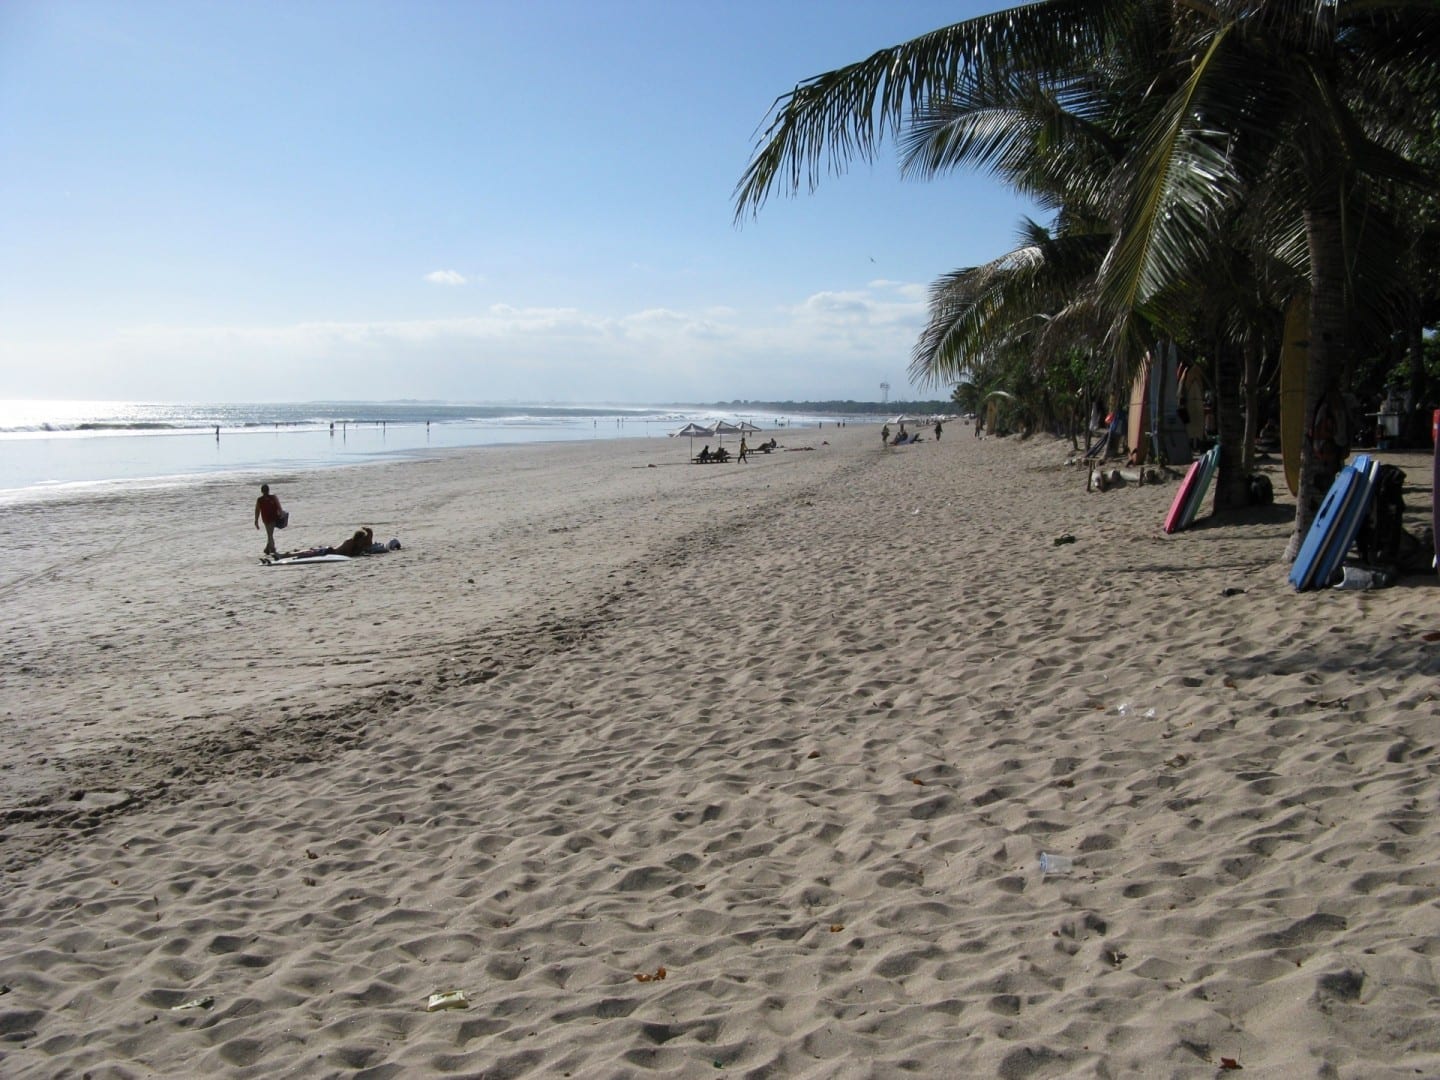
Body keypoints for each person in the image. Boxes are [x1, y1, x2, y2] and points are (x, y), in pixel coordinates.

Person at [254, 484, 283, 556]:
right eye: (264, 491)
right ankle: (270, 548)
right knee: (270, 534)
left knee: (270, 534)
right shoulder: (260, 500)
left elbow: (278, 506)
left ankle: (270, 548)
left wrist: (281, 513)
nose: (265, 492)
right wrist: (256, 520)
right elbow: (257, 510)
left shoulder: (272, 497)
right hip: (266, 519)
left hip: (273, 518)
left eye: (266, 491)